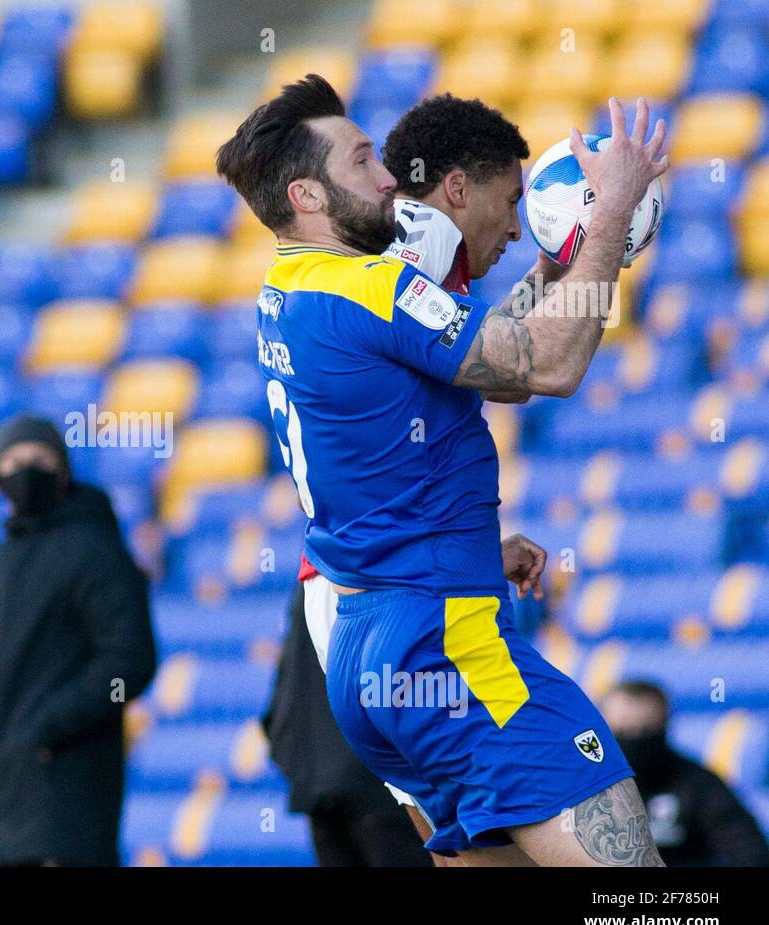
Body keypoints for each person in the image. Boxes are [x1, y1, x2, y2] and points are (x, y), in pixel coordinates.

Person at [217, 74, 669, 865]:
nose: (390, 176)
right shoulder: (373, 285)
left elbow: (488, 373)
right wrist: (611, 217)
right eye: (362, 162)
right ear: (309, 196)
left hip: (366, 654)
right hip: (443, 640)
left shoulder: (286, 293)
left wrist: (564, 262)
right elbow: (549, 367)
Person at [0, 416, 157, 866]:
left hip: (73, 780)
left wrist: (44, 727)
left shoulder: (97, 551)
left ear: (63, 470)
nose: (25, 471)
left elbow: (129, 659)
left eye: (39, 460)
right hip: (6, 787)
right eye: (13, 460)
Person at [263, 583, 430, 866]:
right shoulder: (396, 559)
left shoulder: (318, 561)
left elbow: (286, 681)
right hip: (385, 784)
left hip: (323, 779)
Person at [602, 681, 769, 866]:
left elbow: (747, 848)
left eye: (646, 730)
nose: (634, 740)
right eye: (622, 731)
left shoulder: (697, 783)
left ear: (665, 725)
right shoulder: (583, 784)